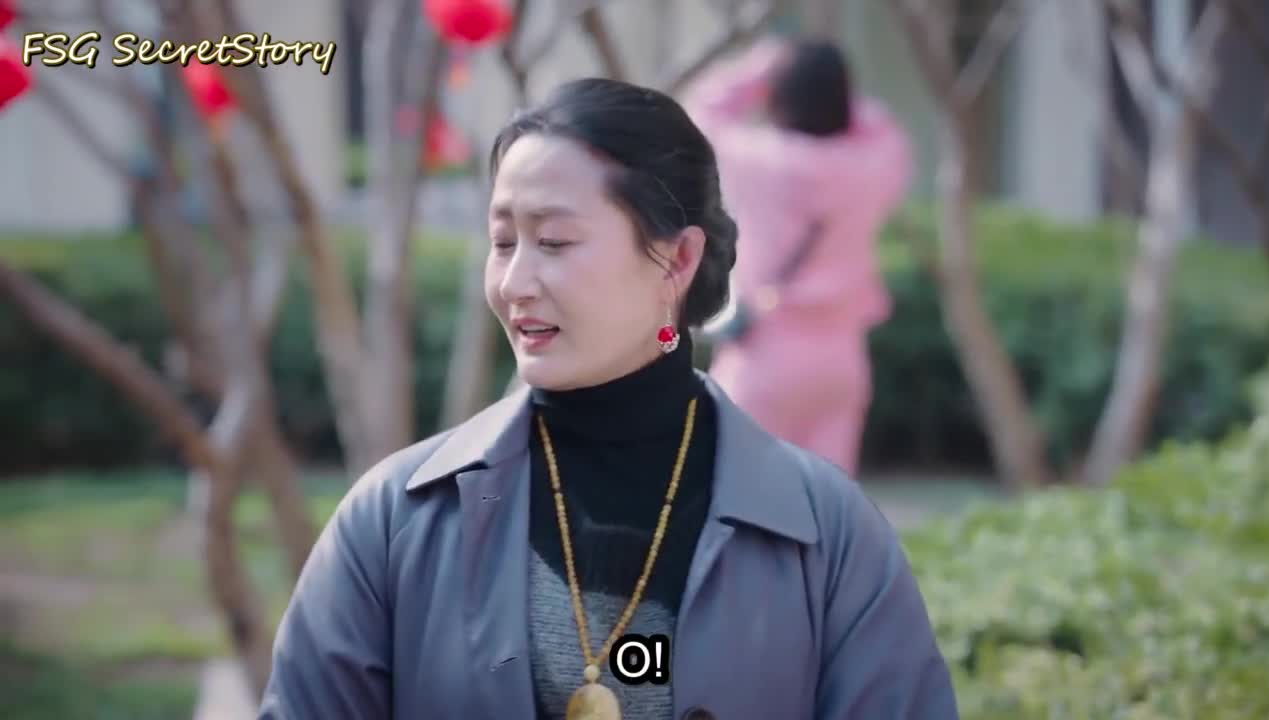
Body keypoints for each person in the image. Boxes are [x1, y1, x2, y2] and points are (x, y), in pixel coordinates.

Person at [258, 77, 955, 719]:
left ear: (678, 260)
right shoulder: (395, 522)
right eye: (502, 242)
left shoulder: (827, 538)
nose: (515, 283)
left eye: (554, 241)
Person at [683, 37, 913, 478]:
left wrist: (761, 68)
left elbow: (701, 112)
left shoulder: (757, 161)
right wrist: (837, 91)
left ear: (778, 94)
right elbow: (887, 132)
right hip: (840, 359)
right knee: (823, 503)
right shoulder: (869, 167)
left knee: (739, 494)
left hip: (763, 355)